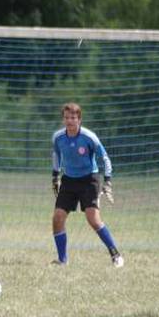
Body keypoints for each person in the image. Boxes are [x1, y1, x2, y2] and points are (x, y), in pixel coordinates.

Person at [51, 102, 123, 267]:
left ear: (79, 119)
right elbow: (56, 154)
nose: (70, 121)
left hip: (89, 179)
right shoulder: (58, 137)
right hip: (68, 180)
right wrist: (55, 176)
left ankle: (115, 254)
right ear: (63, 119)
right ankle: (62, 260)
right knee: (57, 218)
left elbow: (104, 158)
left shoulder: (89, 137)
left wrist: (108, 181)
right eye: (67, 118)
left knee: (93, 219)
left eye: (73, 118)